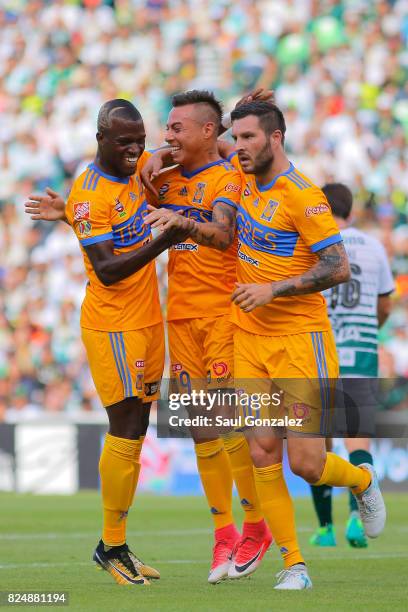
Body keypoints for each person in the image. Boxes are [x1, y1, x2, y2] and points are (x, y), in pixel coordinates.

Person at [148, 101, 387, 590]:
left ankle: (362, 482)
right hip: (249, 338)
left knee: (306, 464)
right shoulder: (238, 169)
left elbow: (336, 267)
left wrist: (273, 289)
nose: (238, 148)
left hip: (300, 341)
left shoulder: (304, 195)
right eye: (235, 140)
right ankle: (294, 564)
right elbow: (200, 141)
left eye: (248, 139)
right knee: (261, 452)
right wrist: (157, 153)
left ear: (275, 139)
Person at [25, 99, 190, 586]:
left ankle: (117, 543)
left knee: (138, 426)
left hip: (148, 321)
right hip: (112, 324)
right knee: (123, 423)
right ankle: (110, 545)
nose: (135, 148)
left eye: (139, 139)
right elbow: (107, 268)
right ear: (101, 137)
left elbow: (192, 146)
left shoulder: (138, 168)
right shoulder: (90, 189)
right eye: (124, 141)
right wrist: (168, 235)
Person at [139, 89, 273, 584]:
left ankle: (256, 525)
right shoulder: (165, 178)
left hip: (222, 315)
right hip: (180, 318)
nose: (167, 134)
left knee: (227, 420)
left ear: (206, 132)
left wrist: (180, 222)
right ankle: (224, 535)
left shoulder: (228, 175)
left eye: (176, 128)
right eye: (167, 127)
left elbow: (220, 235)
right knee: (200, 428)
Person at [309, 183, 394, 548]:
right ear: (350, 208)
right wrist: (370, 330)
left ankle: (325, 529)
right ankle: (358, 519)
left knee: (318, 444)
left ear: (324, 210)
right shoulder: (374, 247)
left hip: (320, 352)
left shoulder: (317, 246)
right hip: (360, 352)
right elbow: (386, 304)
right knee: (357, 440)